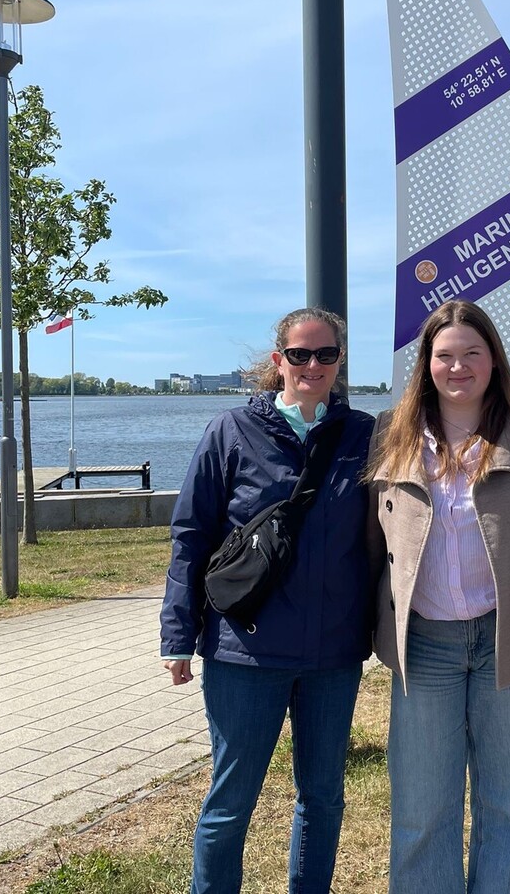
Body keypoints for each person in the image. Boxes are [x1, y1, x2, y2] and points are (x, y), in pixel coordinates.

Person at [159, 307, 375, 894]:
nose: (312, 365)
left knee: (323, 797)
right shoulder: (231, 430)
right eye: (299, 354)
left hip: (332, 655)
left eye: (325, 355)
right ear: (278, 359)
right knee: (231, 801)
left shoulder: (364, 435)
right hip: (244, 653)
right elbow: (192, 533)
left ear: (339, 361)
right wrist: (178, 635)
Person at [367, 299, 510, 894]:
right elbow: (369, 543)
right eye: (444, 355)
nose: (458, 366)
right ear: (426, 364)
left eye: (473, 353)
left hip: (507, 640)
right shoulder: (389, 436)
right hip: (424, 644)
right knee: (422, 811)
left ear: (494, 361)